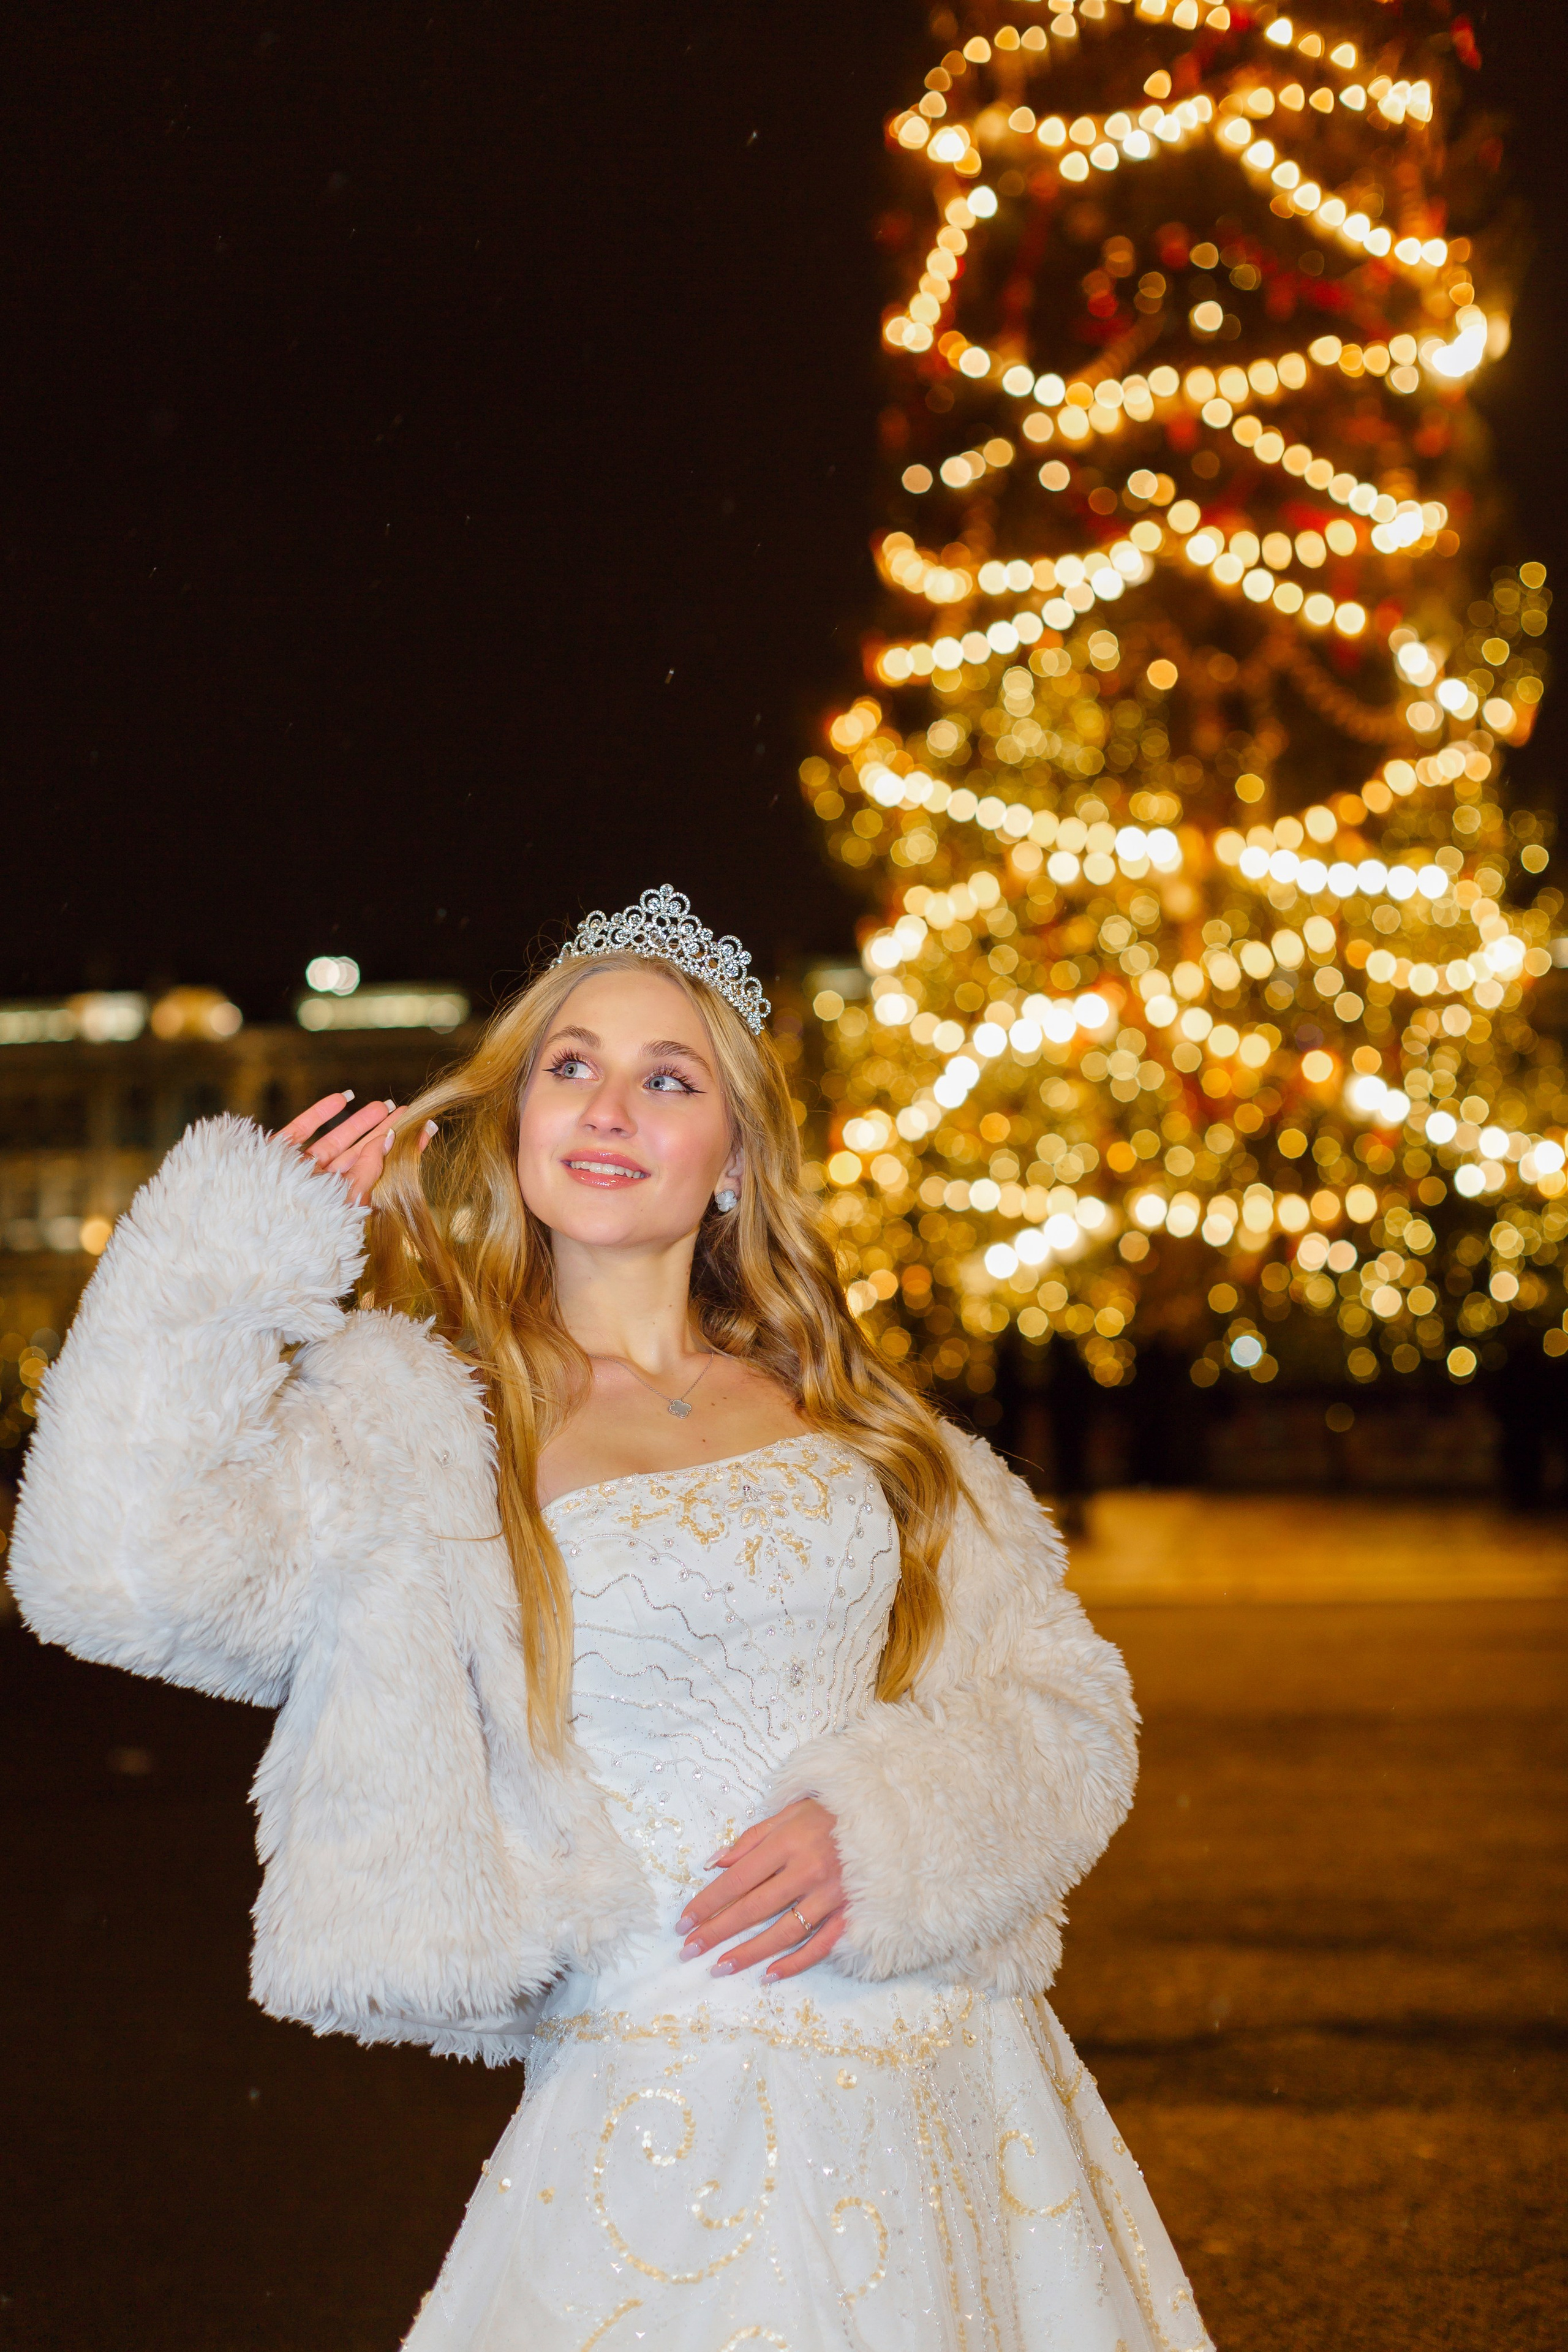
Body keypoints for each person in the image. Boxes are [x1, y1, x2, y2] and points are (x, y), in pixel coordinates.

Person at [10, 888, 1212, 2351]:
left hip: (953, 2076)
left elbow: (1062, 1703)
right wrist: (225, 1264)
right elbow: (105, 1572)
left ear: (731, 1156)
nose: (608, 1107)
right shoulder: (427, 1432)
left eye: (668, 1078)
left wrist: (900, 1832)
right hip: (655, 2104)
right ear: (517, 1119)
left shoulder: (862, 1424)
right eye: (570, 1065)